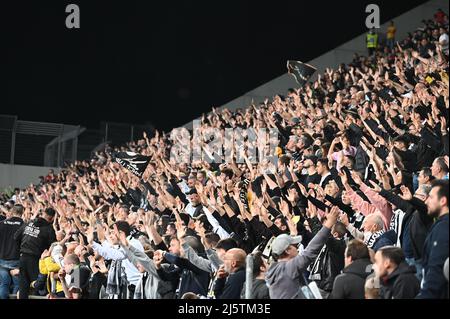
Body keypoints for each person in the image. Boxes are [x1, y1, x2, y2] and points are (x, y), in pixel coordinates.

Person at [266, 206, 340, 299]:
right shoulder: (288, 268)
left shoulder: (276, 270)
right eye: (294, 246)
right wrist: (328, 224)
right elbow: (310, 251)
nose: (297, 248)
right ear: (287, 250)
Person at [14, 207, 56, 299]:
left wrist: (21, 251)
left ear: (43, 214)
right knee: (39, 286)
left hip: (23, 257)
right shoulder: (49, 229)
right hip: (36, 260)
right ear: (52, 218)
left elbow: (16, 237)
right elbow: (52, 246)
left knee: (23, 287)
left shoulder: (29, 223)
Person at [417, 180, 449, 299]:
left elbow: (437, 270)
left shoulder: (444, 228)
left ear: (443, 201)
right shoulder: (441, 225)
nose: (426, 201)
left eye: (431, 197)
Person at [0, 204, 24, 299]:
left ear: (12, 212)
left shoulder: (1, 224)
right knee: (17, 285)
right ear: (22, 213)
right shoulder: (25, 226)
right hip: (16, 261)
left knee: (3, 284)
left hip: (2, 260)